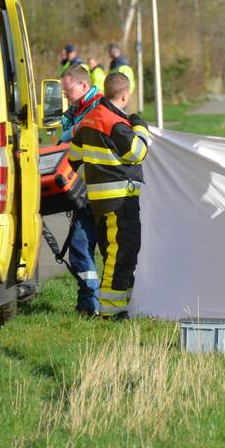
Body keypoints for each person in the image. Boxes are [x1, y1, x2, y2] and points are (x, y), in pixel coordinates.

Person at [68, 72, 151, 319]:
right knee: (120, 255)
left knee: (112, 254)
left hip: (99, 203)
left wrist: (94, 179)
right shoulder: (115, 123)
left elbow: (74, 158)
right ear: (125, 95)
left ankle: (123, 306)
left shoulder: (89, 120)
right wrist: (141, 127)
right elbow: (137, 152)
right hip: (120, 204)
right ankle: (111, 313)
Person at [59, 65, 103, 315]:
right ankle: (89, 304)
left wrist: (70, 132)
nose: (66, 95)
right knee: (79, 246)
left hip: (101, 193)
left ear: (84, 85)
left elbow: (76, 136)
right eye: (64, 92)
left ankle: (109, 305)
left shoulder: (99, 108)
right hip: (82, 193)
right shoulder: (75, 110)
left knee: (109, 253)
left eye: (69, 90)